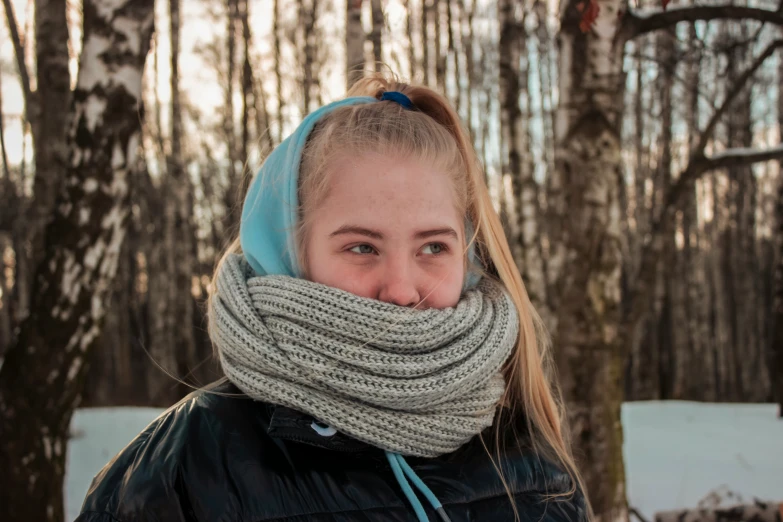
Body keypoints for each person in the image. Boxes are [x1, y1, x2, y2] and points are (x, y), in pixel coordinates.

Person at [76, 76, 589, 522]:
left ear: (468, 255)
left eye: (433, 246)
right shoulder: (182, 471)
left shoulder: (532, 464)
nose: (403, 289)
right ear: (292, 254)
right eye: (362, 247)